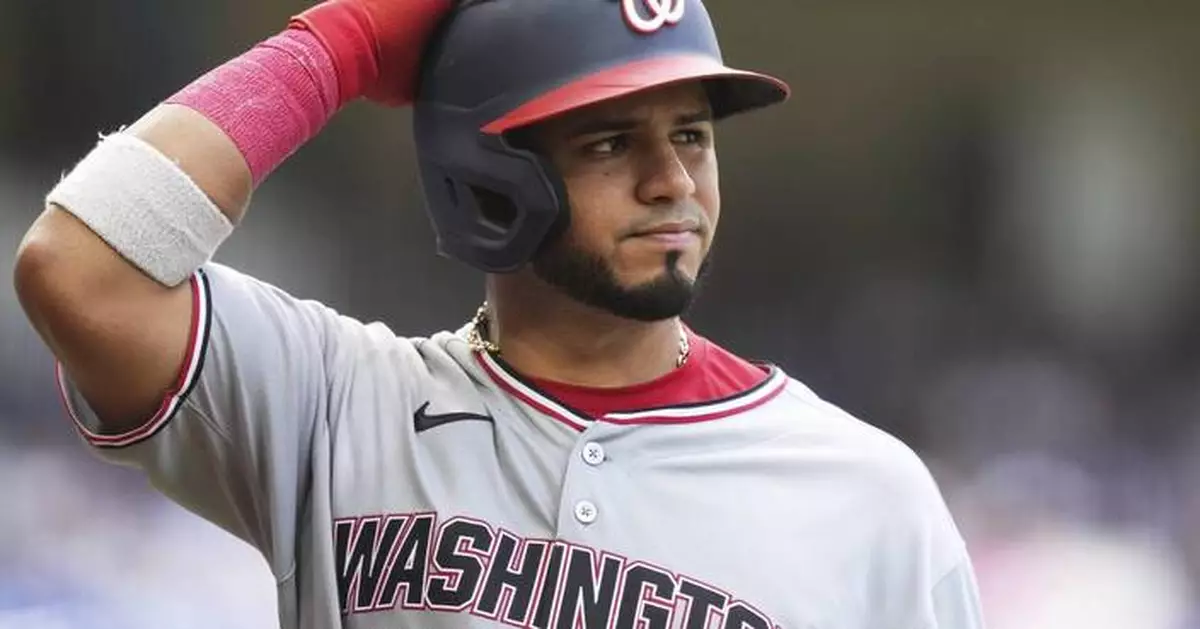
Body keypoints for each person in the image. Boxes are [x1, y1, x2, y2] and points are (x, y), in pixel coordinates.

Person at [13, 0, 987, 627]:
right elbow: (79, 267)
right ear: (483, 178)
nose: (672, 179)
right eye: (611, 141)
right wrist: (337, 48)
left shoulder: (869, 496)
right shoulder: (333, 401)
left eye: (692, 133)